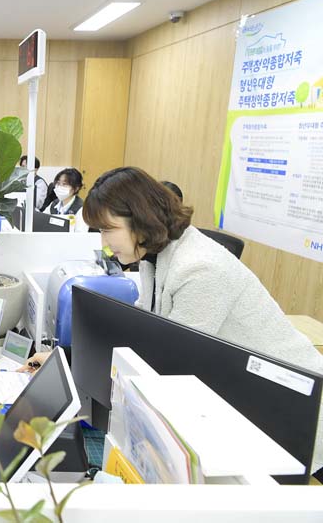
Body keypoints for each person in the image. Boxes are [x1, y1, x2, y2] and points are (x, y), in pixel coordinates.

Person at [22, 166, 323, 472]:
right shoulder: (156, 255)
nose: (104, 242)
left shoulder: (199, 268)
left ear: (139, 219)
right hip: (251, 400)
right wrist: (66, 358)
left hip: (291, 409)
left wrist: (79, 367)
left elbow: (169, 366)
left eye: (108, 230)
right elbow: (144, 338)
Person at [41, 168, 88, 232]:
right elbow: (42, 220)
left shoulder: (81, 209)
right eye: (58, 183)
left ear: (76, 188)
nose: (60, 187)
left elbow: (80, 236)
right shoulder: (54, 204)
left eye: (64, 184)